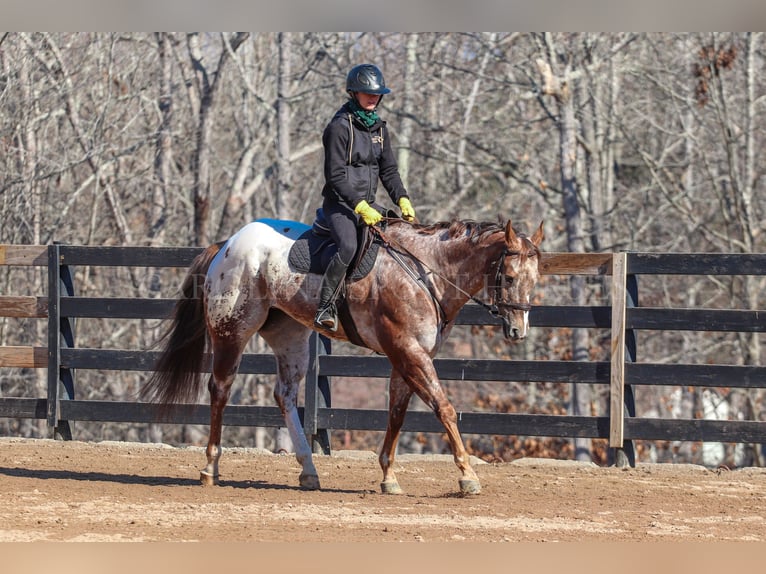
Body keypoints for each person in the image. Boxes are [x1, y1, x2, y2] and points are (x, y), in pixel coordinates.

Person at [313, 63, 416, 332]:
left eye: (376, 94)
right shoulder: (339, 127)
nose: (373, 97)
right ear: (353, 93)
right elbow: (335, 176)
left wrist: (402, 198)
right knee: (348, 246)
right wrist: (358, 206)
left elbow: (389, 169)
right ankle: (326, 305)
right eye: (366, 93)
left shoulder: (379, 129)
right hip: (340, 205)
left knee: (398, 238)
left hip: (368, 204)